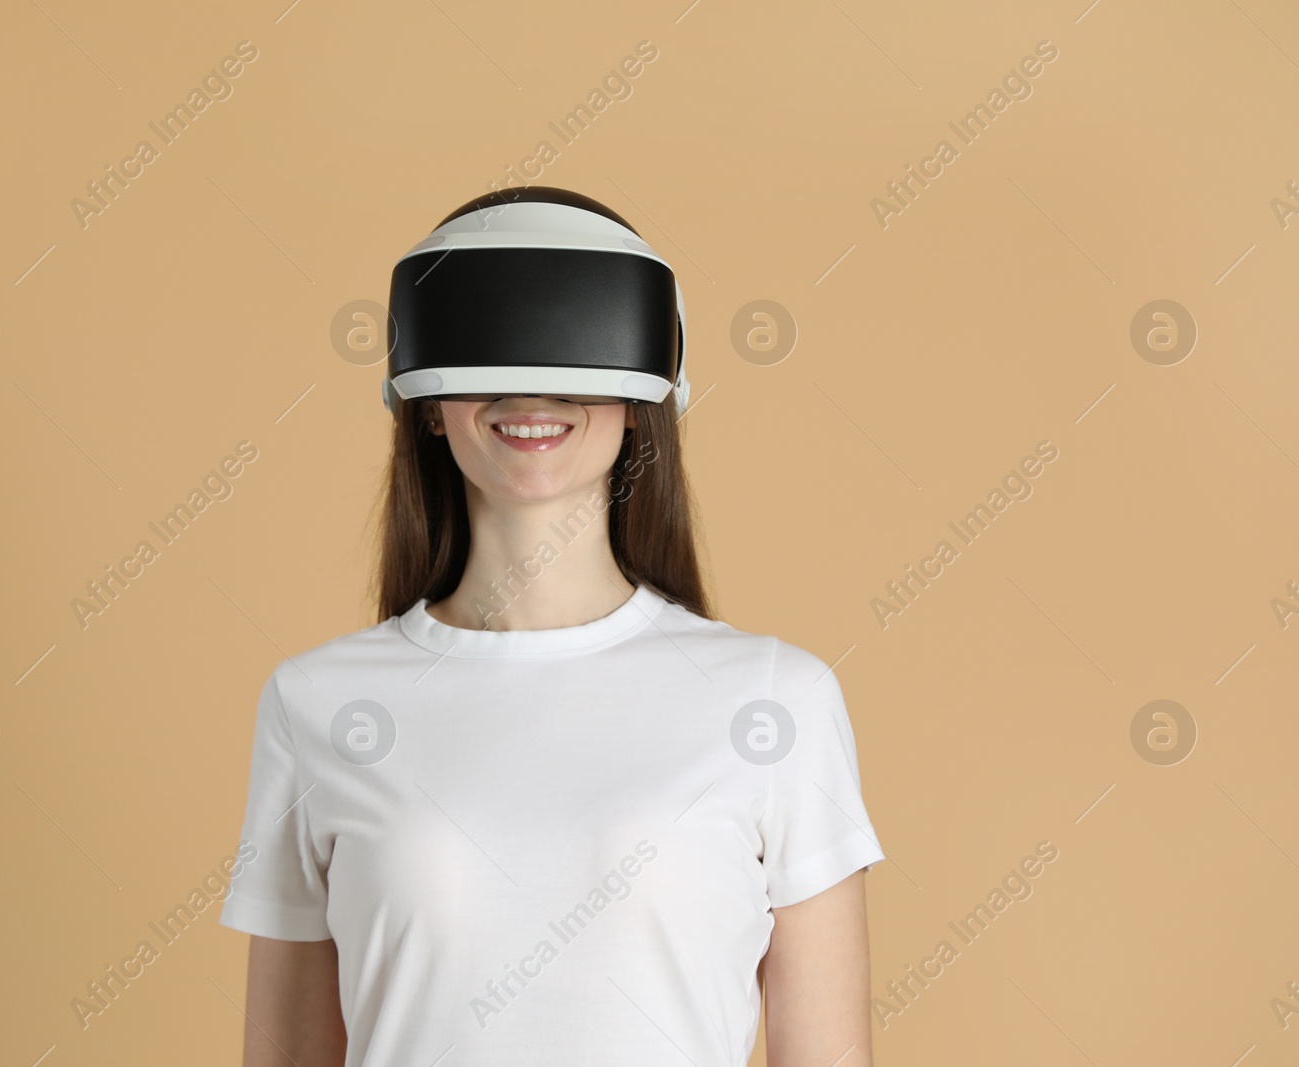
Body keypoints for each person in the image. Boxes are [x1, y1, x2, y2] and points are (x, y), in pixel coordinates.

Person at [220, 188, 886, 1067]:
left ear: (647, 384)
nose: (531, 388)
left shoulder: (776, 702)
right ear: (422, 396)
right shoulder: (316, 706)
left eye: (574, 340)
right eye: (486, 341)